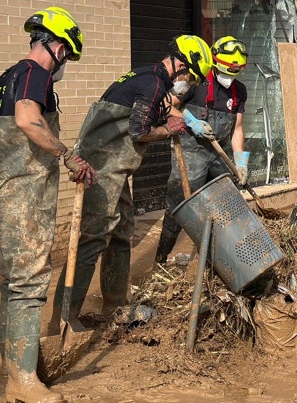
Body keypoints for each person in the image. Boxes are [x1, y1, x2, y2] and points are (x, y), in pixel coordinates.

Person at [48, 35, 214, 331]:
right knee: (93, 238)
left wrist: (182, 120)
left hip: (116, 167)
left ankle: (115, 303)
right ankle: (64, 318)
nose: (187, 83)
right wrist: (166, 130)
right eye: (189, 76)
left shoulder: (148, 79)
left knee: (123, 231)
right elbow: (139, 130)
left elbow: (161, 110)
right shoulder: (151, 83)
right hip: (101, 167)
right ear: (179, 65)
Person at [0, 7, 95, 403]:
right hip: (23, 197)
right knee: (28, 285)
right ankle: (23, 382)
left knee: (14, 284)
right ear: (58, 46)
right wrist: (66, 153)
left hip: (2, 194)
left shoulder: (4, 78)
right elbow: (28, 120)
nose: (66, 64)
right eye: (68, 55)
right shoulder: (36, 74)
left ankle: (17, 367)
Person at [154, 35, 250, 265]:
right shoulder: (196, 82)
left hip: (218, 154)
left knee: (226, 203)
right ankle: (161, 259)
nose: (230, 77)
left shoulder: (240, 92)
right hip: (191, 152)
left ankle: (221, 260)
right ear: (216, 64)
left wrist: (241, 161)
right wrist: (191, 120)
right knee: (179, 205)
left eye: (234, 73)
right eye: (227, 71)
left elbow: (237, 128)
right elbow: (166, 104)